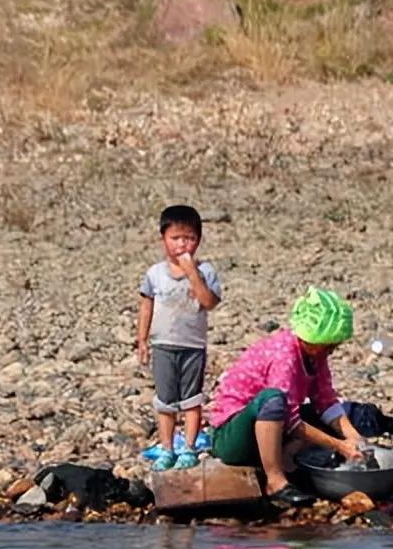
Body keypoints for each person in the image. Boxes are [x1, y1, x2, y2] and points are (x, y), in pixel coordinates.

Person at [208, 287, 365, 501]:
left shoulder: (315, 356)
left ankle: (287, 453)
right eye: (329, 345)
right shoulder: (285, 354)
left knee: (339, 416)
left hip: (273, 429)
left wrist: (353, 437)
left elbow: (326, 400)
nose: (333, 349)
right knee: (273, 400)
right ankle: (275, 481)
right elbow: (288, 417)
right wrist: (339, 445)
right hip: (233, 437)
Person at [136, 205, 223, 471]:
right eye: (176, 238)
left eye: (189, 238)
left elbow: (208, 302)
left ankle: (189, 446)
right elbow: (146, 306)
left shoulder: (206, 271)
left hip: (192, 345)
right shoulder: (155, 274)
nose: (183, 244)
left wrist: (192, 273)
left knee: (191, 399)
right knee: (165, 400)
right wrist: (142, 340)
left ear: (198, 240)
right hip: (163, 344)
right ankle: (166, 448)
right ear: (163, 238)